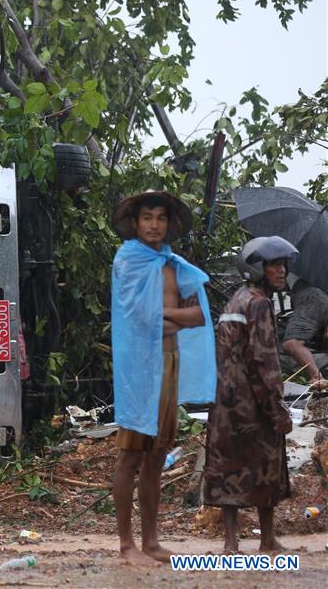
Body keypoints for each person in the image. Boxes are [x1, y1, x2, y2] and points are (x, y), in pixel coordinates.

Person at [109, 190, 216, 565]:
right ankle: (126, 545)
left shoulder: (175, 265)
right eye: (147, 218)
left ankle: (151, 541)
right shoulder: (128, 261)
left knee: (156, 455)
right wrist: (171, 315)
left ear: (169, 224)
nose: (154, 225)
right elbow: (138, 318)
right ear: (136, 223)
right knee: (129, 454)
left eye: (160, 218)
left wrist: (162, 315)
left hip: (170, 360)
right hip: (139, 369)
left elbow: (199, 316)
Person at [203, 236, 298, 553]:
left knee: (228, 469)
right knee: (267, 467)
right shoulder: (259, 303)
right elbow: (263, 361)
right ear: (257, 268)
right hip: (253, 405)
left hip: (226, 403)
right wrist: (276, 410)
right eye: (274, 264)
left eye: (283, 264)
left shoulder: (235, 301)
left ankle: (231, 543)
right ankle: (267, 539)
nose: (281, 270)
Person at [280, 272, 328, 382]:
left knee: (288, 346)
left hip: (314, 297)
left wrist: (315, 375)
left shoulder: (311, 295)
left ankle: (317, 376)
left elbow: (292, 344)